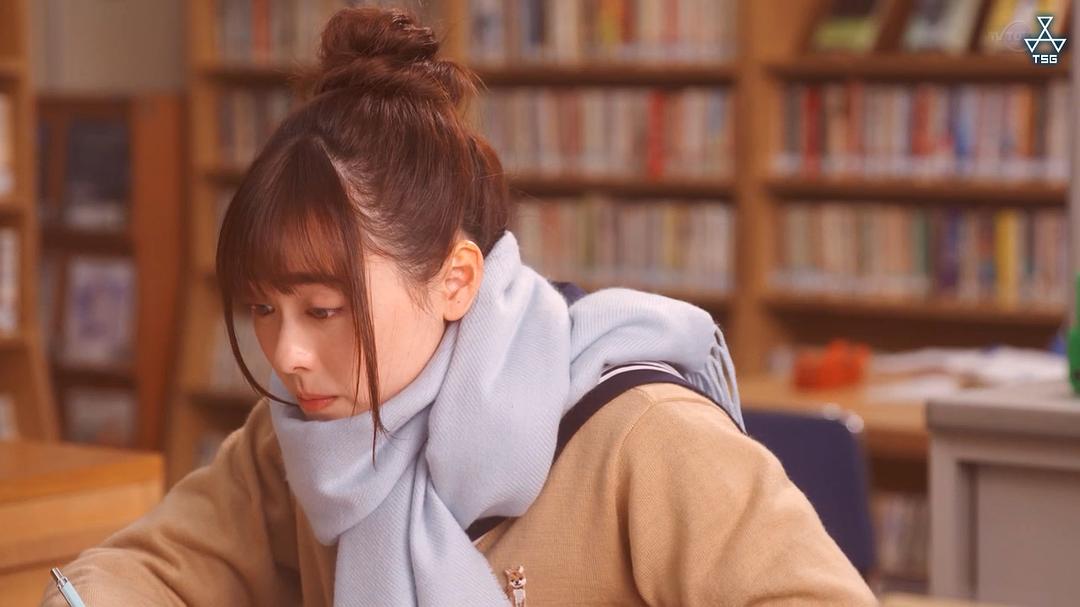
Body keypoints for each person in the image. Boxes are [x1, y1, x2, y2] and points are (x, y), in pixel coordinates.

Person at [41, 7, 876, 606]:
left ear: (454, 279)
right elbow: (150, 567)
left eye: (323, 310)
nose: (286, 353)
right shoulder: (305, 438)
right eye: (262, 308)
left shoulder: (637, 430)